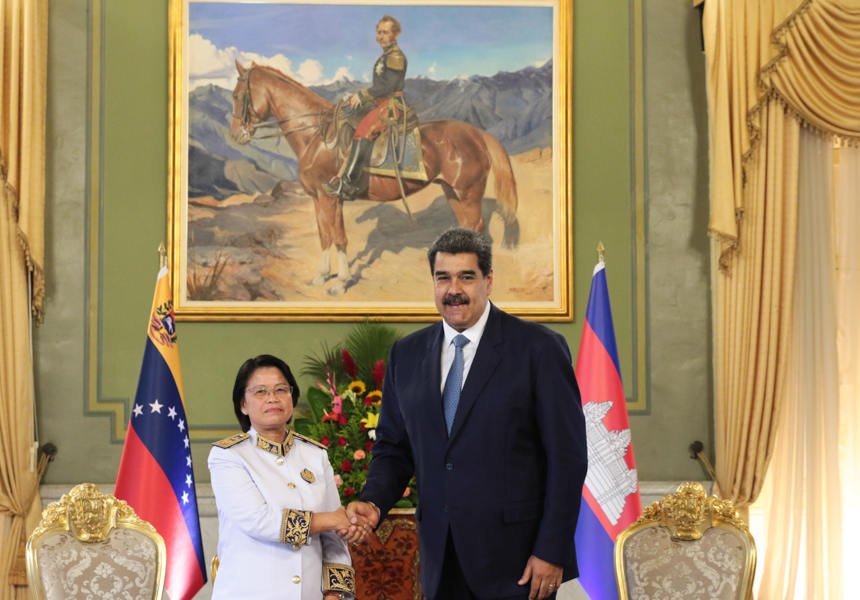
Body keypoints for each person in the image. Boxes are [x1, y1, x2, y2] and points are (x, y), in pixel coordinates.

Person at [344, 228, 588, 600]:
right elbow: (394, 448)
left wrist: (551, 550)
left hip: (518, 563)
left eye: (466, 277)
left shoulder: (538, 349)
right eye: (443, 278)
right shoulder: (407, 355)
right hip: (441, 558)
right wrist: (374, 501)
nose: (453, 289)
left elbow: (567, 459)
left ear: (488, 282)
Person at [209, 354, 369, 600]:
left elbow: (334, 541)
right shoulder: (228, 456)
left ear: (291, 397)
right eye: (260, 391)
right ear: (243, 403)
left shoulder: (315, 454)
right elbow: (260, 520)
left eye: (281, 389)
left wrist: (335, 594)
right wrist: (335, 519)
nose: (272, 398)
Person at [325, 15, 408, 202]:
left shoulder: (395, 57)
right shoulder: (386, 55)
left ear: (396, 34)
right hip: (380, 103)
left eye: (385, 32)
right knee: (348, 118)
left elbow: (389, 87)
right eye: (379, 32)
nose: (380, 36)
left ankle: (349, 183)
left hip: (392, 105)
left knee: (364, 131)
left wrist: (362, 96)